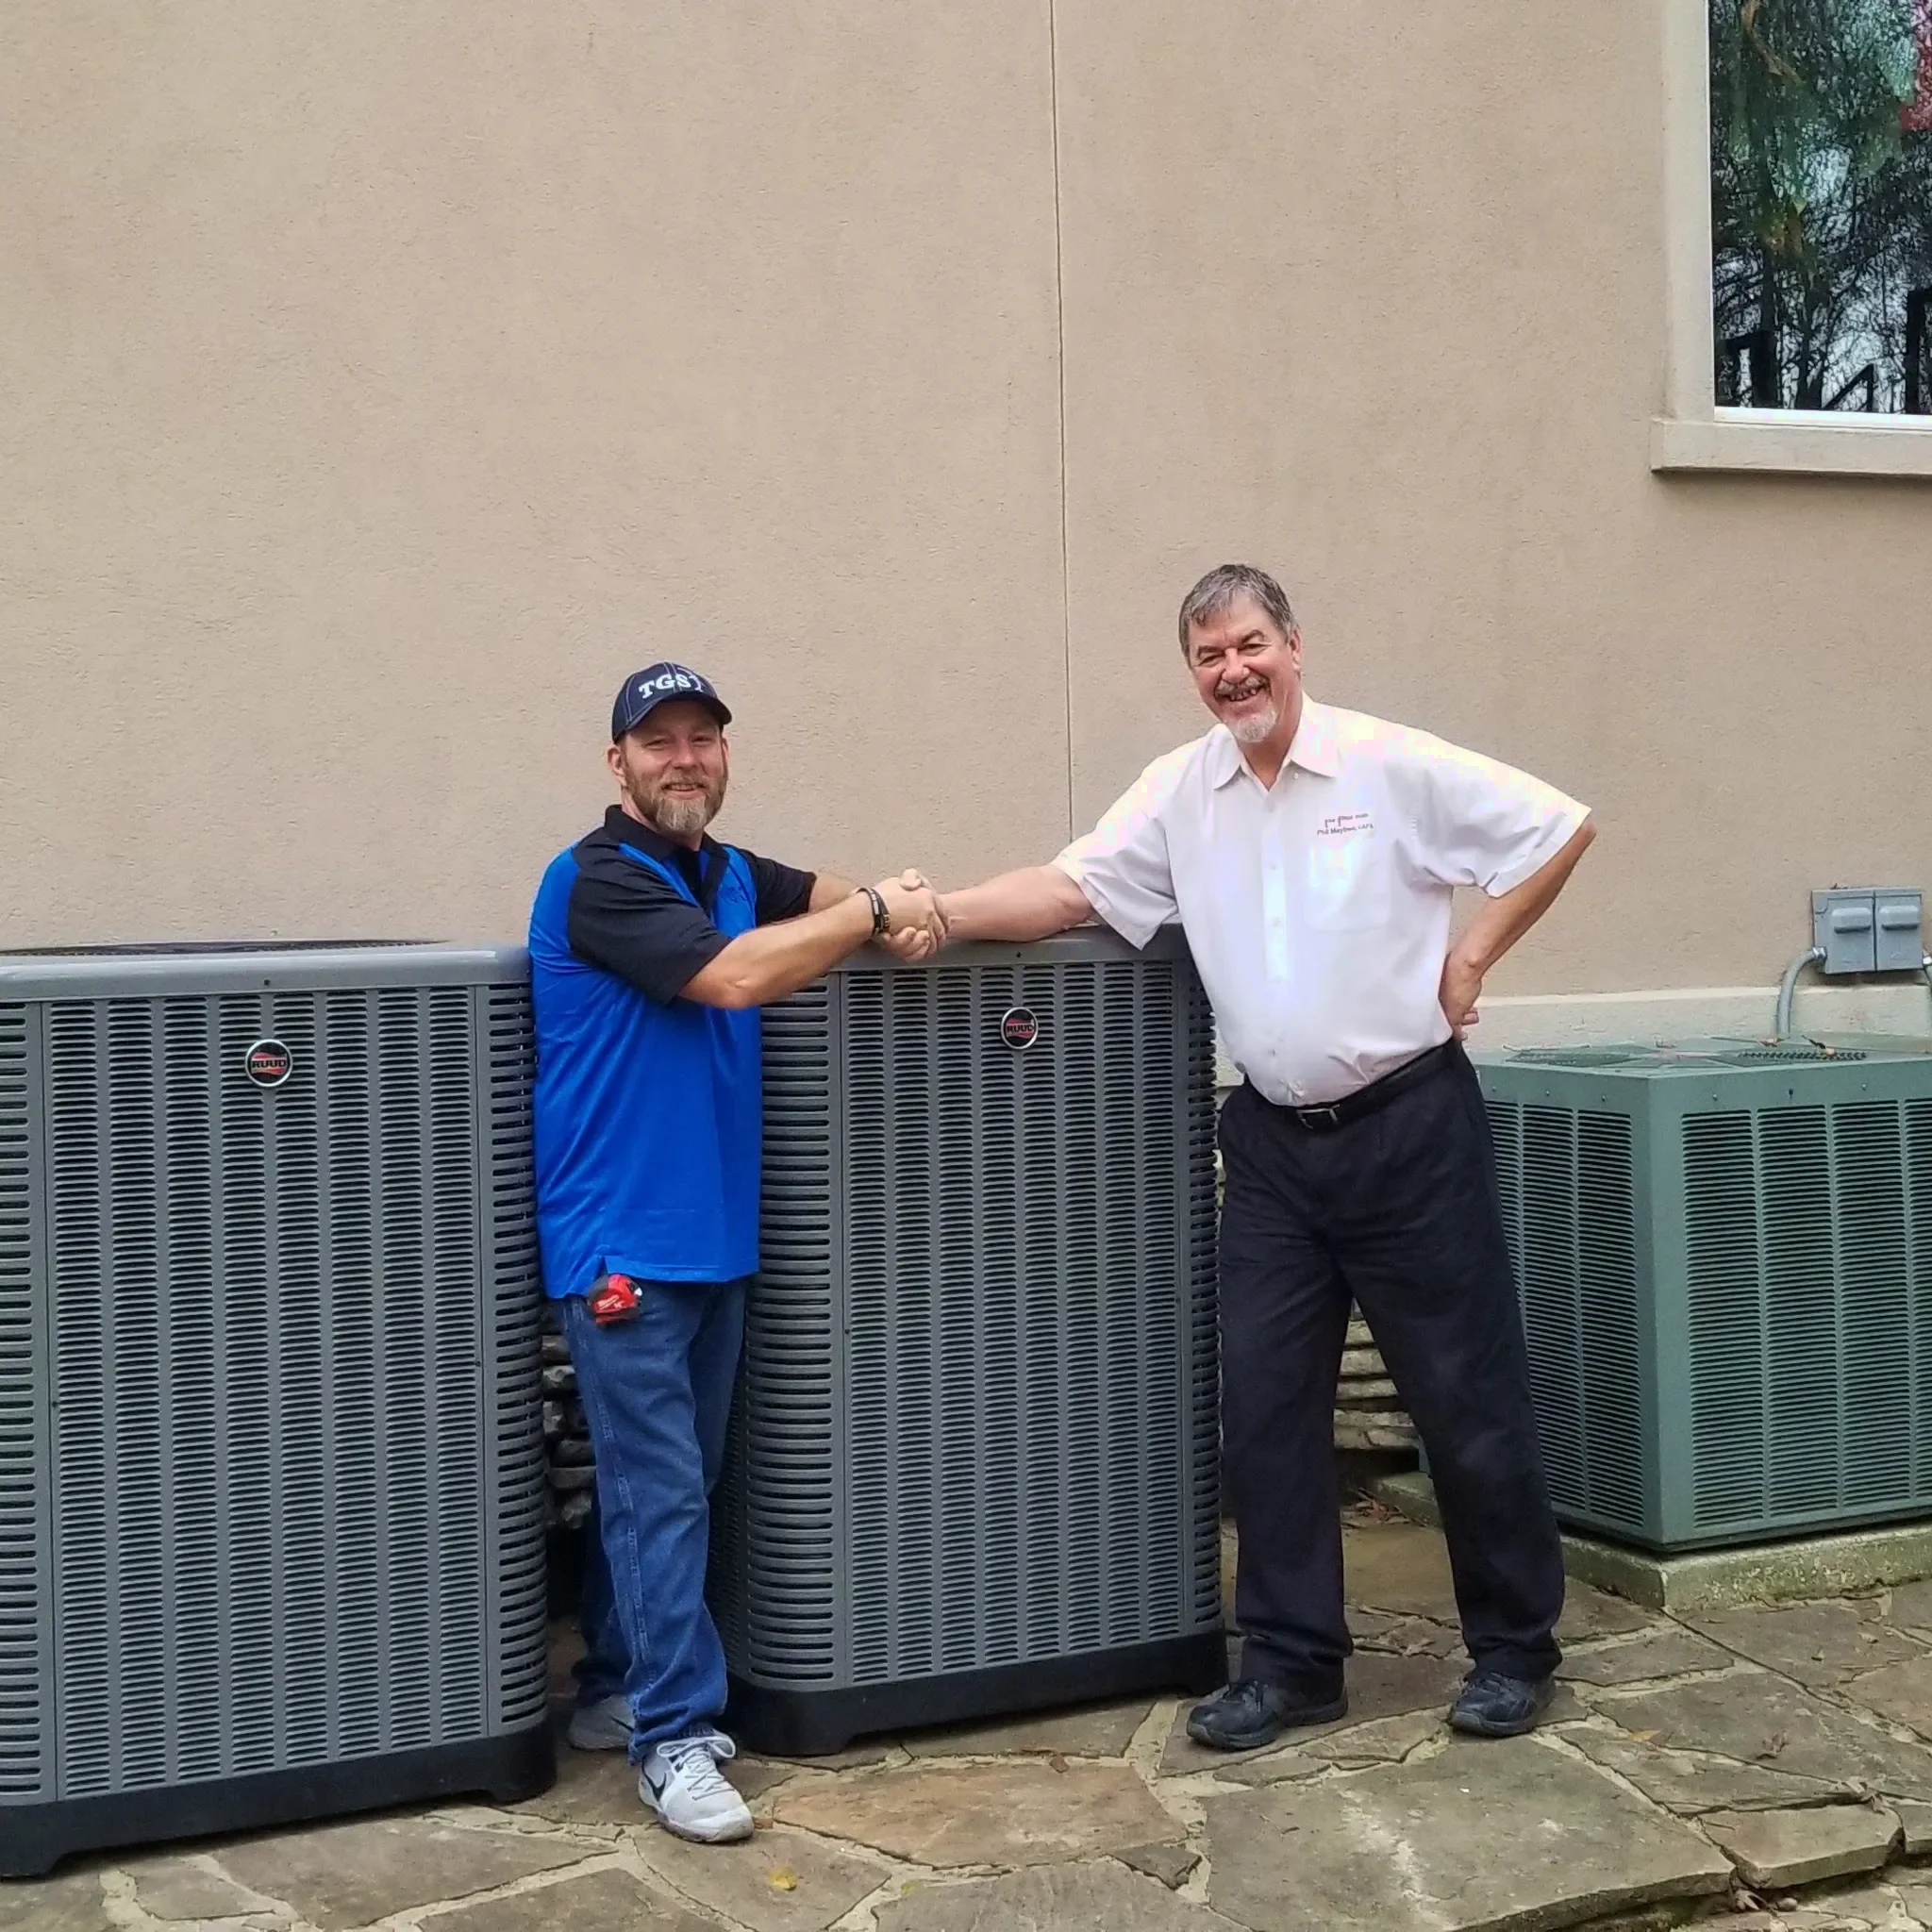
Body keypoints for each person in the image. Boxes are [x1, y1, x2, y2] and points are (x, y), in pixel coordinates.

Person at [938, 565, 1595, 1749]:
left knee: (1465, 1400)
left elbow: (1556, 826)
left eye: (1248, 645)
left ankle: (1512, 1647)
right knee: (1264, 1408)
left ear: (1292, 645)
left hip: (1408, 1130)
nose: (1231, 671)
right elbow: (1068, 888)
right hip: (1273, 1151)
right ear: (1191, 671)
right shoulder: (1179, 792)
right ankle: (1293, 1664)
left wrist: (1471, 956)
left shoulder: (1384, 762)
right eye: (1208, 655)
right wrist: (931, 912)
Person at [529, 661, 945, 1841]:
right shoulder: (597, 878)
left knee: (670, 1483)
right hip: (618, 1243)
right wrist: (874, 915)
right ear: (616, 762)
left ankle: (614, 1686)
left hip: (709, 1238)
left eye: (701, 738)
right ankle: (673, 1737)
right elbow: (734, 976)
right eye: (657, 740)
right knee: (661, 1490)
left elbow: (824, 895)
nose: (683, 758)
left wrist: (901, 906)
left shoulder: (724, 871)